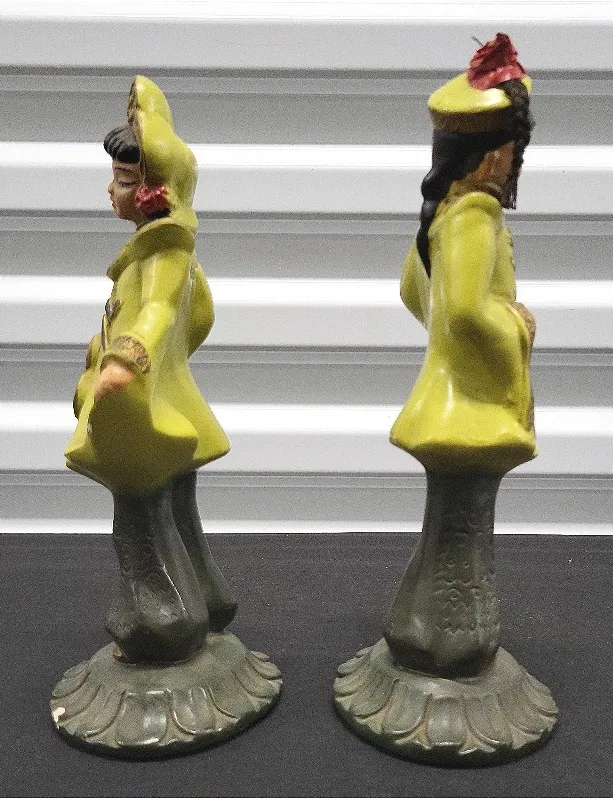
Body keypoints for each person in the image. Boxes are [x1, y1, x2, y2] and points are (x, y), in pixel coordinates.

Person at [66, 76, 237, 663]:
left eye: (121, 180)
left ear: (149, 193)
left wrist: (125, 359)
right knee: (176, 503)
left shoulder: (163, 253)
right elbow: (200, 317)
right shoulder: (160, 252)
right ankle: (205, 599)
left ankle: (159, 626)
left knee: (140, 513)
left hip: (140, 400)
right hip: (164, 394)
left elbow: (162, 311)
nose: (110, 190)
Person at [390, 33, 537, 475]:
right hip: (469, 408)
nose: (514, 164)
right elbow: (464, 310)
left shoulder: (440, 213)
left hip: (439, 394)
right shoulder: (475, 214)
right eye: (512, 153)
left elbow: (411, 292)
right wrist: (517, 323)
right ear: (492, 158)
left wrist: (446, 338)